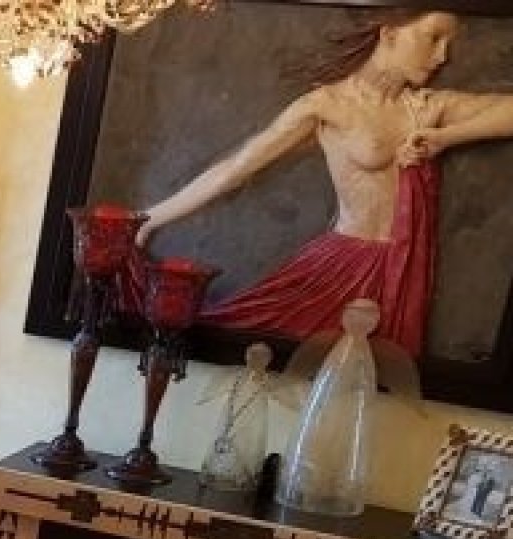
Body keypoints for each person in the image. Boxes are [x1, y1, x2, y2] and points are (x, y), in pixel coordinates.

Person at [135, 11, 513, 358]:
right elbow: (235, 168)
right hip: (342, 270)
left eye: (447, 44)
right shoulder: (327, 105)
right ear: (390, 32)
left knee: (374, 378)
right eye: (433, 37)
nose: (442, 56)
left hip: (401, 271)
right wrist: (150, 218)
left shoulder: (427, 107)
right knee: (280, 362)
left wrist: (446, 137)